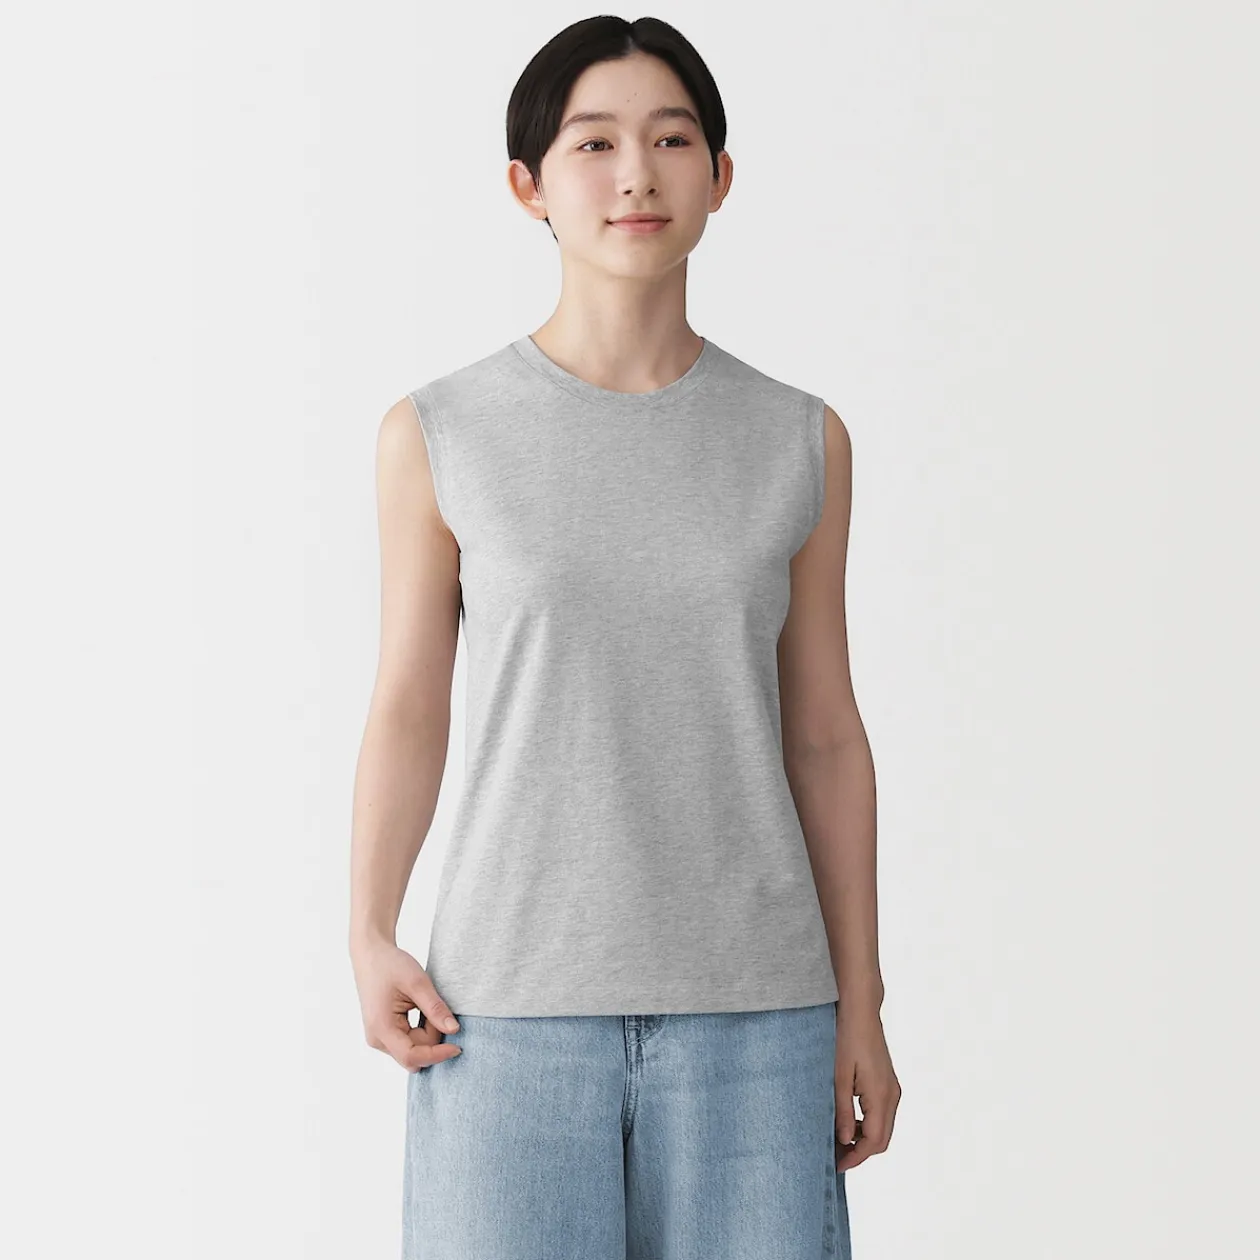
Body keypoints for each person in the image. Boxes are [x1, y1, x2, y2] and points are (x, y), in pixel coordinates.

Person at [349, 15, 900, 1259]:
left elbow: (824, 736)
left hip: (760, 1020)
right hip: (503, 1018)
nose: (637, 174)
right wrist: (369, 927)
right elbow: (409, 705)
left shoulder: (799, 439)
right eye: (593, 143)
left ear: (721, 176)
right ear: (528, 186)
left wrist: (861, 1004)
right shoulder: (439, 434)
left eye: (672, 139)